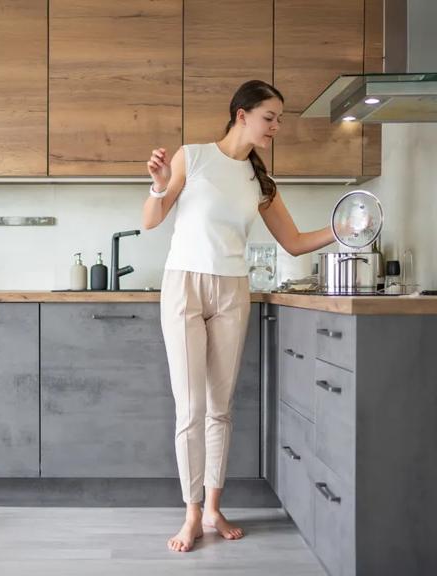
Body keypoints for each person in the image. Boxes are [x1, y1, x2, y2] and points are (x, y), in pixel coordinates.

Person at [142, 79, 336, 553]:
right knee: (190, 407)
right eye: (270, 118)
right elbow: (151, 219)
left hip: (233, 290)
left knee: (220, 408)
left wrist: (344, 228)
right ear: (241, 114)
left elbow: (294, 242)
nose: (275, 128)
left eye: (279, 121)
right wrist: (159, 184)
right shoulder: (194, 156)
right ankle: (190, 513)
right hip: (184, 284)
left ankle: (213, 507)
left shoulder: (261, 182)